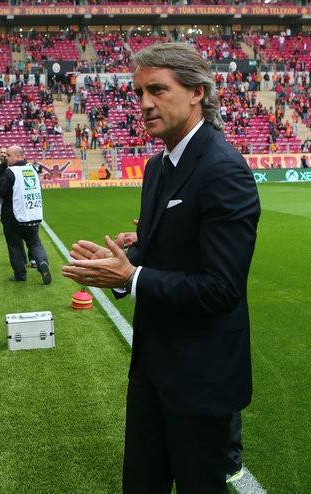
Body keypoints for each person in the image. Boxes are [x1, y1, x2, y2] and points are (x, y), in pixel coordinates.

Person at [62, 42, 260, 492]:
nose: (145, 103)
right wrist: (122, 262)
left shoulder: (224, 169)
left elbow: (220, 289)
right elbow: (161, 252)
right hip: (152, 367)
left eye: (157, 89)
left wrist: (130, 277)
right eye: (139, 93)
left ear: (196, 92)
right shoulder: (156, 167)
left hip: (201, 377)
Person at [0, 145, 51, 285]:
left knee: (15, 246)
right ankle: (42, 262)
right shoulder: (32, 169)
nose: (6, 158)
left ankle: (20, 275)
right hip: (32, 214)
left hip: (13, 216)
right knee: (35, 243)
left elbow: (0, 191)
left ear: (17, 156)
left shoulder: (10, 172)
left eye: (8, 155)